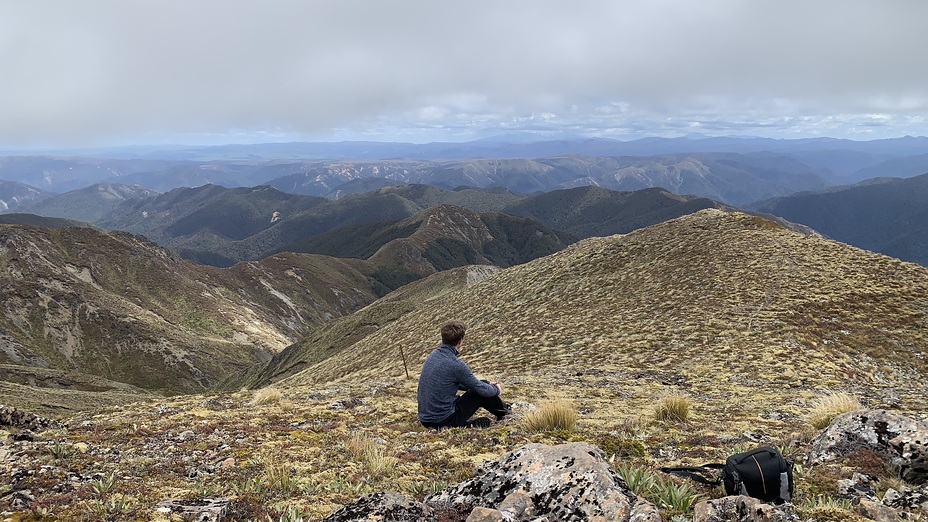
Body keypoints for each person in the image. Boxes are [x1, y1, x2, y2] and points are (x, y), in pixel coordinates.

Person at [417, 320, 511, 429]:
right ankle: (505, 413)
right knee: (480, 391)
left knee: (483, 384)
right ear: (460, 341)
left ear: (443, 338)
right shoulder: (456, 364)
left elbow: (455, 383)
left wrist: (488, 384)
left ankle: (500, 411)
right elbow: (480, 389)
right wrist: (496, 390)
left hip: (425, 419)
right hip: (444, 420)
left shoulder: (433, 355)